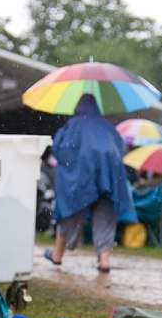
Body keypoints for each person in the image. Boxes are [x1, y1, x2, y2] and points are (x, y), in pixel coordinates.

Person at [44, 94, 130, 273]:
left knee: (70, 213)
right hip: (109, 178)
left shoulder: (73, 125)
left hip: (80, 178)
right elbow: (120, 149)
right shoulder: (107, 126)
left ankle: (57, 255)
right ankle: (104, 261)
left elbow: (58, 149)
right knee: (105, 217)